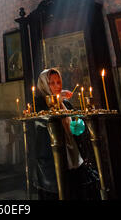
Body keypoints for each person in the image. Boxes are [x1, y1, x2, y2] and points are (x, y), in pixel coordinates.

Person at [32, 67, 99, 200]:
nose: (57, 86)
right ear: (44, 84)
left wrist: (78, 125)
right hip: (52, 157)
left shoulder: (66, 103)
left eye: (59, 82)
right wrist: (58, 99)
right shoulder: (38, 103)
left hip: (73, 153)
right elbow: (45, 119)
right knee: (59, 193)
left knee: (77, 191)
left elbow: (76, 124)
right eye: (52, 83)